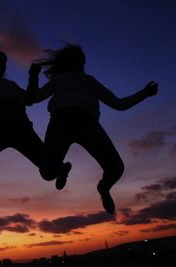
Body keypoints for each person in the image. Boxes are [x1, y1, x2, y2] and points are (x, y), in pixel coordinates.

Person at [28, 43, 158, 213]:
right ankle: (62, 169)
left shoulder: (88, 81)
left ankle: (103, 188)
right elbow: (33, 98)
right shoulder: (58, 80)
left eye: (80, 60)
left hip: (88, 123)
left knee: (116, 168)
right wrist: (33, 76)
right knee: (47, 172)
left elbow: (118, 104)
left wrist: (144, 94)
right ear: (66, 62)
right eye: (74, 59)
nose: (78, 63)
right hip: (60, 122)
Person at [0, 40, 71, 187]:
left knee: (48, 171)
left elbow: (30, 99)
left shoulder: (8, 85)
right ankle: (59, 169)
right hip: (1, 131)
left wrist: (33, 76)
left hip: (18, 129)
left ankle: (60, 169)